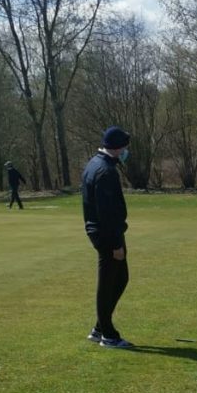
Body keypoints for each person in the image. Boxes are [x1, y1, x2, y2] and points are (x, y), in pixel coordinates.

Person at [81, 126, 133, 349]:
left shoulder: (95, 163)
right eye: (125, 147)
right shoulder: (105, 171)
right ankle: (107, 334)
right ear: (118, 147)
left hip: (103, 232)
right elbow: (107, 212)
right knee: (108, 283)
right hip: (106, 235)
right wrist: (115, 244)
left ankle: (100, 327)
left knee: (120, 279)